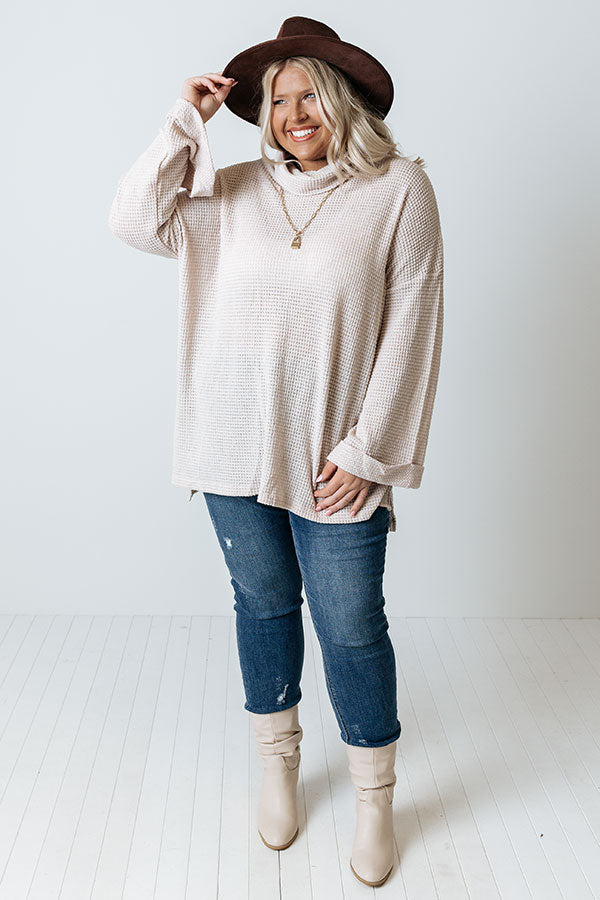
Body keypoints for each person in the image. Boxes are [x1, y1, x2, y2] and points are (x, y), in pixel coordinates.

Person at [109, 15, 444, 888]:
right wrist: (185, 121)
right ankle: (279, 768)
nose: (293, 115)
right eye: (278, 100)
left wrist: (369, 450)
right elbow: (133, 221)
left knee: (351, 627)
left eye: (309, 97)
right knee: (261, 607)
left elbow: (413, 321)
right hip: (230, 445)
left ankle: (374, 801)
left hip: (338, 456)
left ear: (343, 103)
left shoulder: (400, 190)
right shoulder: (234, 189)